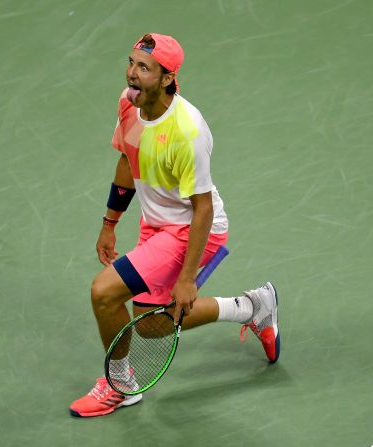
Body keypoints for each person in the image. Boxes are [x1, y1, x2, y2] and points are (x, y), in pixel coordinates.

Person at [69, 33, 280, 418]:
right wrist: (109, 222)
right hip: (157, 224)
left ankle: (119, 385)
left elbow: (201, 209)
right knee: (153, 326)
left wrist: (186, 278)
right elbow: (127, 161)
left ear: (167, 78)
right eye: (131, 62)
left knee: (104, 292)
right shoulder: (129, 104)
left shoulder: (187, 132)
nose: (132, 74)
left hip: (194, 228)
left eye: (144, 68)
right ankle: (253, 306)